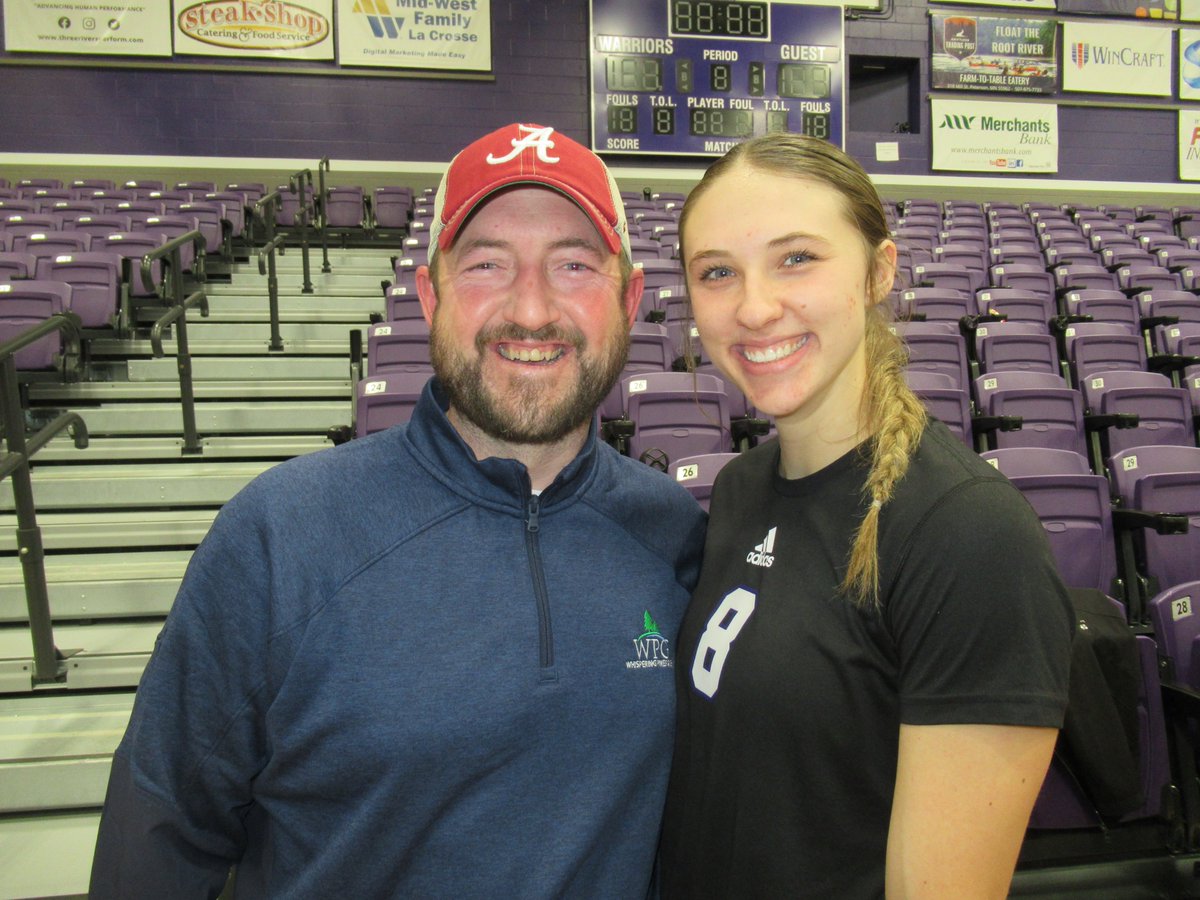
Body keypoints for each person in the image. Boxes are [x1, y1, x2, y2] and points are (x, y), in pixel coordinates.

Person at [90, 123, 706, 898]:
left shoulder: (676, 535)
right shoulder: (280, 534)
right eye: (486, 263)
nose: (531, 309)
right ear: (429, 295)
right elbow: (158, 842)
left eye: (574, 265)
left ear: (628, 298)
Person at [658, 133, 1073, 899]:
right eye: (717, 273)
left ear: (879, 270)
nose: (754, 307)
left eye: (797, 258)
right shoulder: (744, 487)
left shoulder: (969, 535)